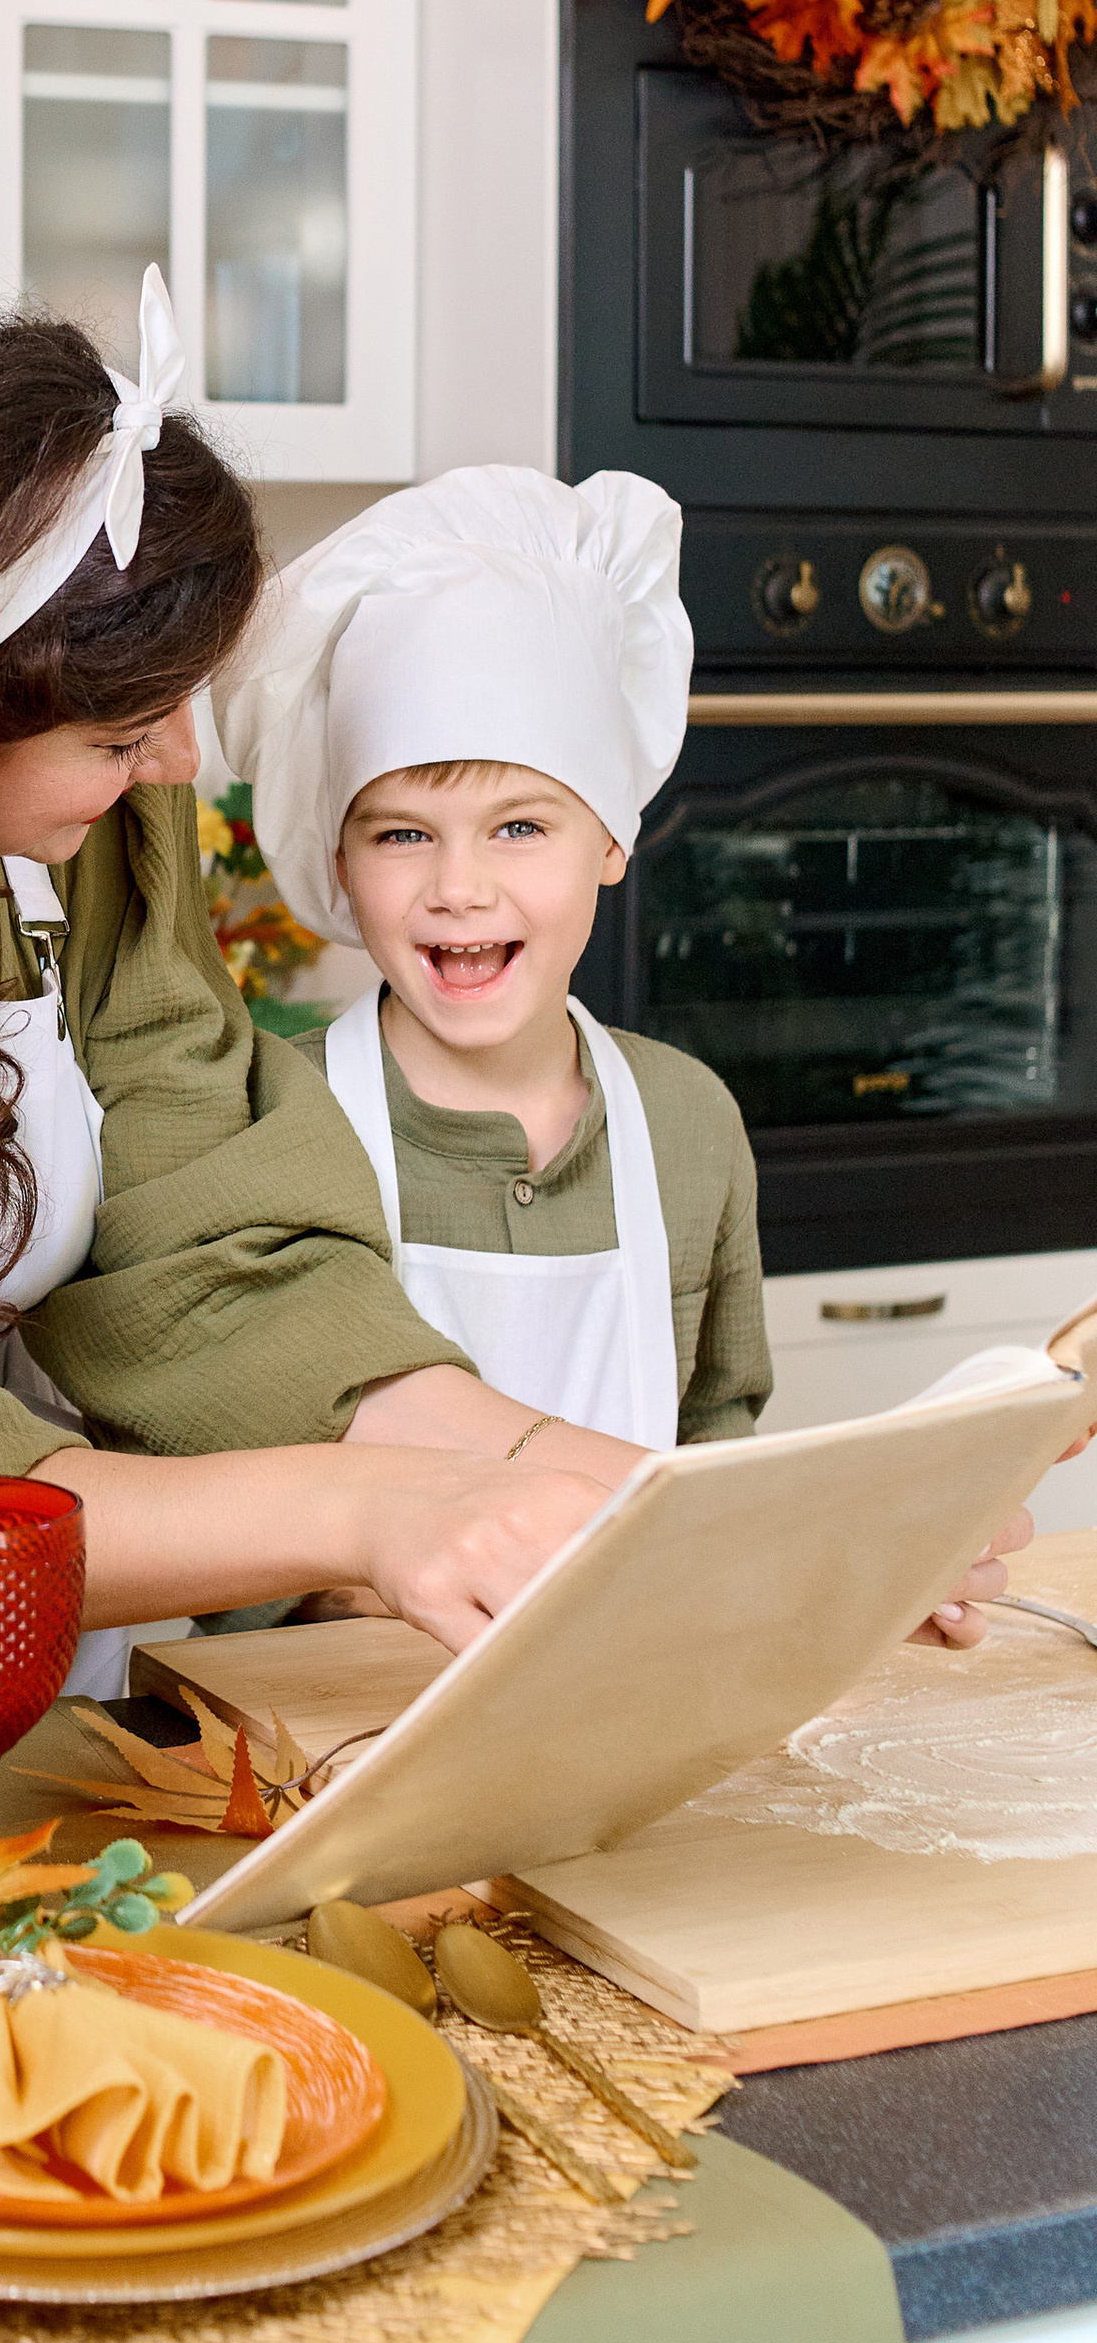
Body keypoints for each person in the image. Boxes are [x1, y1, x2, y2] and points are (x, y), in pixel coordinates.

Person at [0, 277, 644, 1664]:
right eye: (124, 729)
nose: (181, 762)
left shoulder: (97, 839)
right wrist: (367, 1510)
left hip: (35, 1603)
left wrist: (669, 1506)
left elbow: (219, 1255)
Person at [221, 463, 1022, 1643]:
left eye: (521, 826)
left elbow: (714, 1460)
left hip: (632, 1695)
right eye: (401, 832)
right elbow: (238, 1561)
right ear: (337, 861)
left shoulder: (686, 1125)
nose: (458, 887)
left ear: (611, 836)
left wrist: (839, 1566)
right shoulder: (273, 1123)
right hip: (341, 1734)